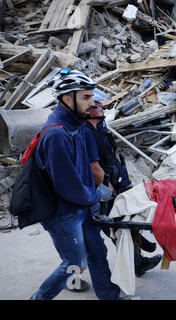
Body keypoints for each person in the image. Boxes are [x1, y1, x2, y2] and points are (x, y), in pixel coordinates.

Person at [29, 69, 121, 300]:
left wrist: (92, 194)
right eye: (86, 97)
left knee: (97, 251)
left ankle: (109, 296)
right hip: (64, 214)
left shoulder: (75, 126)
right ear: (67, 99)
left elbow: (83, 170)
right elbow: (67, 186)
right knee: (74, 263)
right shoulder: (57, 135)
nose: (92, 103)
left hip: (80, 206)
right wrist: (95, 196)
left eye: (92, 97)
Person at [79, 91, 162, 280]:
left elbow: (111, 155)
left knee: (125, 219)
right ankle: (136, 260)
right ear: (86, 112)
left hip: (117, 180)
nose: (100, 107)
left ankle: (138, 252)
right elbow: (94, 167)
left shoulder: (100, 127)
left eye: (100, 104)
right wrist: (109, 187)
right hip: (104, 188)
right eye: (95, 106)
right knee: (116, 226)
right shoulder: (86, 132)